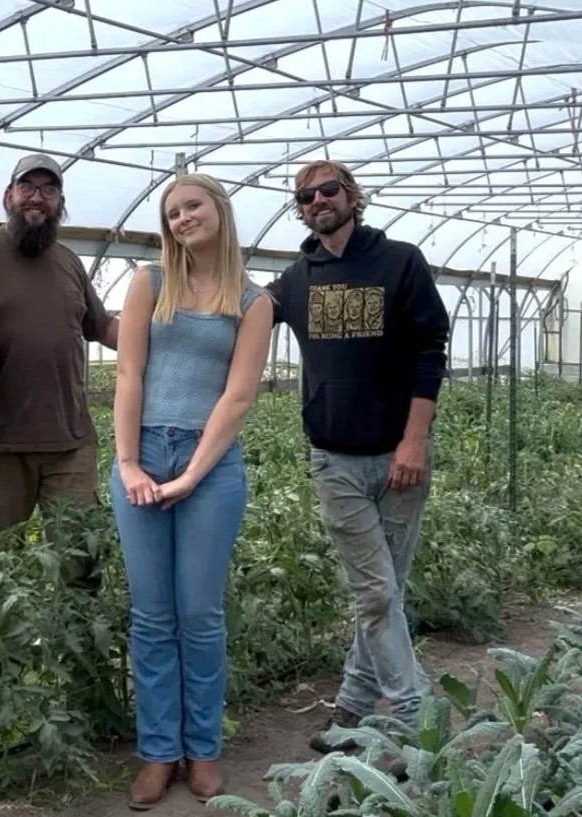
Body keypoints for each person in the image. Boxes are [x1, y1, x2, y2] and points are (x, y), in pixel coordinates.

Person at [264, 159, 450, 757]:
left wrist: (414, 439)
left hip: (399, 457)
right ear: (300, 209)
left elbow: (429, 350)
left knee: (384, 589)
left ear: (352, 196)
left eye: (329, 189)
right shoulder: (296, 279)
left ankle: (354, 697)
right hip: (335, 461)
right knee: (374, 591)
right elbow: (238, 316)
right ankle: (411, 710)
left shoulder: (399, 261)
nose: (317, 200)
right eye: (305, 195)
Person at [110, 173, 272, 809]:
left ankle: (202, 749)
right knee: (151, 618)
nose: (182, 219)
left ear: (219, 210)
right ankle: (158, 754)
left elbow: (238, 396)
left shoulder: (252, 300)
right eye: (172, 212)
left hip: (209, 465)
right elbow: (128, 373)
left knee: (199, 616)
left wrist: (193, 474)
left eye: (192, 206)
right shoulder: (149, 284)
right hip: (144, 454)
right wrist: (128, 464)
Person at [0, 153, 118, 587]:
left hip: (70, 442)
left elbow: (101, 327)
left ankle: (78, 651)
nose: (38, 198)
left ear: (60, 202)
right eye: (27, 187)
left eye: (49, 190)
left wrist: (167, 339)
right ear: (8, 195)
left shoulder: (68, 260)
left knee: (80, 557)